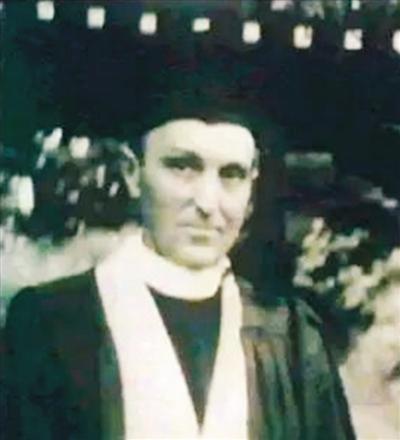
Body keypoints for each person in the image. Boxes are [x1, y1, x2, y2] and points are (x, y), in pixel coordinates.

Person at [4, 108, 356, 439]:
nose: (207, 203)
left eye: (231, 174)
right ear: (133, 173)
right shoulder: (53, 322)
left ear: (251, 189)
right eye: (183, 167)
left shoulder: (291, 335)